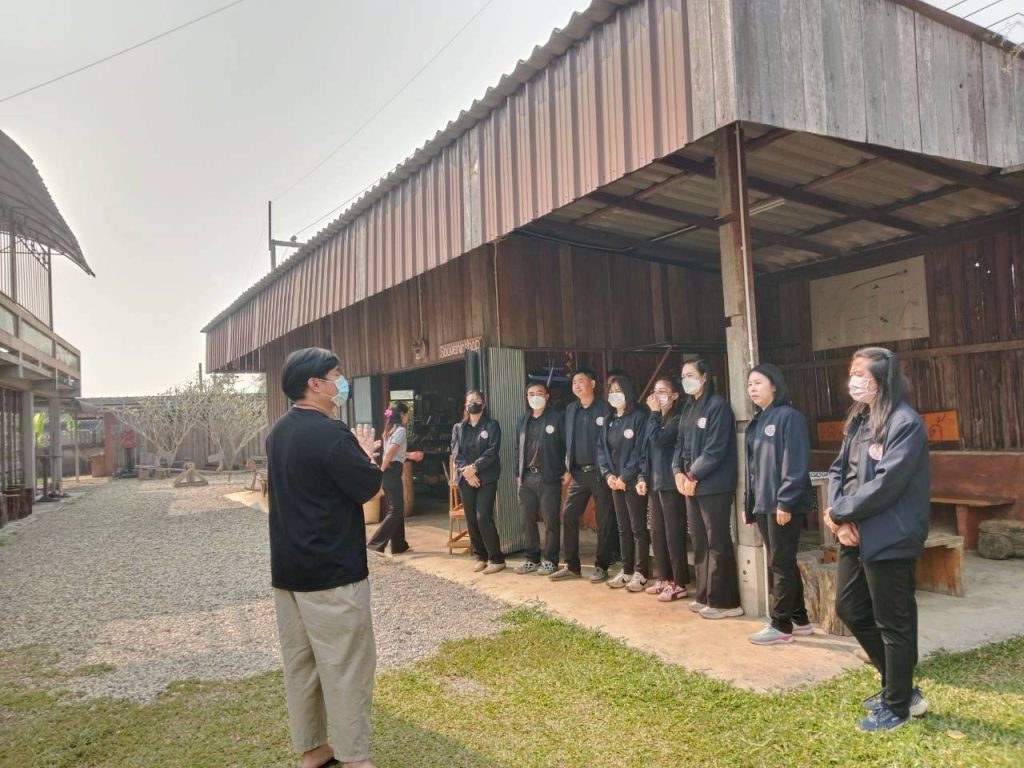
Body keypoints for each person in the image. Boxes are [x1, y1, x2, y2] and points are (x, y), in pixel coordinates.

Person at [266, 347, 381, 768]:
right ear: (315, 384)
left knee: (302, 667)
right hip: (332, 574)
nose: (342, 382)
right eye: (337, 375)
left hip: (288, 573)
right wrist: (367, 454)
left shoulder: (278, 432)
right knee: (347, 667)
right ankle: (354, 757)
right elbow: (368, 487)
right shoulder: (332, 435)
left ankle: (313, 749)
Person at [824, 347, 931, 732]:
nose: (853, 381)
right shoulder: (859, 419)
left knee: (893, 622)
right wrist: (837, 517)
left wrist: (842, 512)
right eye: (852, 373)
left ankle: (898, 706)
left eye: (861, 375)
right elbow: (838, 471)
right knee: (849, 607)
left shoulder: (905, 423)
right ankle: (901, 688)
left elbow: (887, 484)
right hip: (855, 531)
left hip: (891, 534)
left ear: (881, 381)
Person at [743, 364, 813, 644]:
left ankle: (781, 625)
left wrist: (785, 501)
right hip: (763, 502)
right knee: (782, 561)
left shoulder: (789, 417)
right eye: (750, 384)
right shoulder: (757, 421)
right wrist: (749, 505)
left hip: (783, 503)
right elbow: (752, 468)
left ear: (774, 385)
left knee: (780, 564)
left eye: (758, 383)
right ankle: (800, 619)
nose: (752, 388)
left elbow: (795, 463)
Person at [672, 359, 743, 620]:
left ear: (704, 377)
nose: (686, 380)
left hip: (713, 485)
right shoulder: (689, 407)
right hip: (690, 484)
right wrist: (677, 472)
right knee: (700, 541)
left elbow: (715, 450)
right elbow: (679, 444)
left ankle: (726, 602)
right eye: (683, 376)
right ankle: (704, 594)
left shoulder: (718, 406)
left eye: (691, 375)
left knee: (717, 541)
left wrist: (692, 474)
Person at [550, 368, 617, 583]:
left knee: (604, 520)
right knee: (569, 516)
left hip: (600, 473)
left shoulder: (605, 408)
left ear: (593, 383)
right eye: (574, 383)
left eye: (581, 381)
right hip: (578, 473)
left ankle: (602, 566)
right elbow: (568, 441)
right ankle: (572, 566)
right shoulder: (571, 409)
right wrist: (568, 468)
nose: (577, 385)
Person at [598, 375, 651, 592]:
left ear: (627, 392)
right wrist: (608, 475)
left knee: (637, 528)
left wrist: (625, 476)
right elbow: (601, 450)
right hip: (614, 482)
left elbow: (640, 451)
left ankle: (641, 572)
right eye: (611, 392)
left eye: (618, 391)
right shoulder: (609, 419)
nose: (614, 395)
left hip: (632, 482)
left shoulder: (638, 417)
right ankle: (627, 569)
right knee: (623, 528)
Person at [638, 377, 688, 602]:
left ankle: (679, 582)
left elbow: (658, 439)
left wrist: (654, 413)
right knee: (657, 533)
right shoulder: (656, 418)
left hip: (671, 484)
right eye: (655, 391)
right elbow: (646, 449)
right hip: (655, 483)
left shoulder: (677, 419)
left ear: (674, 395)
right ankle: (664, 578)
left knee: (673, 533)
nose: (657, 396)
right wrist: (642, 477)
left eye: (663, 391)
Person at [513, 382, 566, 576]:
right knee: (526, 519)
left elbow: (566, 446)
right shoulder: (523, 419)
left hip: (548, 476)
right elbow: (517, 447)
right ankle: (532, 558)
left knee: (551, 520)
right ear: (526, 397)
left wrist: (566, 469)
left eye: (539, 393)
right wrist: (517, 473)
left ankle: (551, 560)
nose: (535, 397)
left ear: (547, 396)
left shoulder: (557, 418)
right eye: (531, 394)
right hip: (527, 476)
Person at [451, 390, 505, 573]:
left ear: (484, 403)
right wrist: (467, 472)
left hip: (486, 477)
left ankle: (496, 558)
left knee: (483, 516)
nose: (473, 403)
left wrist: (475, 468)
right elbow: (456, 453)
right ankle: (480, 556)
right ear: (465, 405)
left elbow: (492, 451)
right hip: (466, 478)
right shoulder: (459, 428)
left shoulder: (492, 425)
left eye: (476, 400)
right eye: (469, 400)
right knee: (471, 518)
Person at [367, 402, 424, 556]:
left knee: (396, 508)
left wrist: (411, 455)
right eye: (407, 415)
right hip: (390, 472)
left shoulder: (389, 430)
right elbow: (390, 453)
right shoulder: (400, 431)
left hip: (391, 472)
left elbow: (397, 452)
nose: (407, 418)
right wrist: (381, 471)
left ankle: (399, 545)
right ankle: (374, 544)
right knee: (396, 510)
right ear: (402, 415)